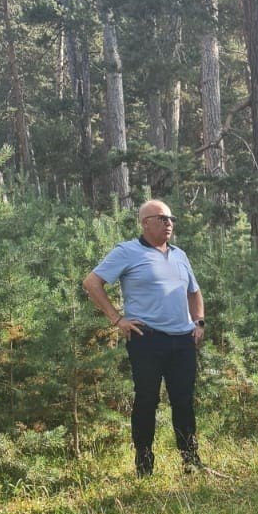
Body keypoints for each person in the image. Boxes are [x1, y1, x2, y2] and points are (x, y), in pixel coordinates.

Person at [83, 200, 206, 478]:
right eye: (162, 218)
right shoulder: (127, 252)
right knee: (147, 399)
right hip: (147, 340)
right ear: (145, 222)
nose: (169, 223)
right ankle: (144, 463)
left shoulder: (179, 255)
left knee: (183, 400)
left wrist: (198, 322)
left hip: (182, 340)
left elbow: (194, 291)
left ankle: (190, 459)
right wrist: (117, 319)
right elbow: (92, 283)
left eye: (171, 218)